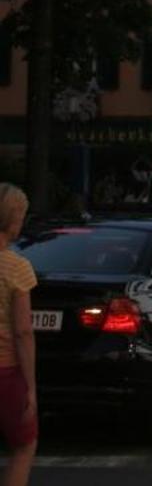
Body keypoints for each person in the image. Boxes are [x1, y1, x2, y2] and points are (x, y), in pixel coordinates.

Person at [0, 184, 36, 486]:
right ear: (12, 220)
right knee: (24, 445)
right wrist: (31, 387)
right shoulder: (17, 268)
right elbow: (23, 331)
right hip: (5, 371)